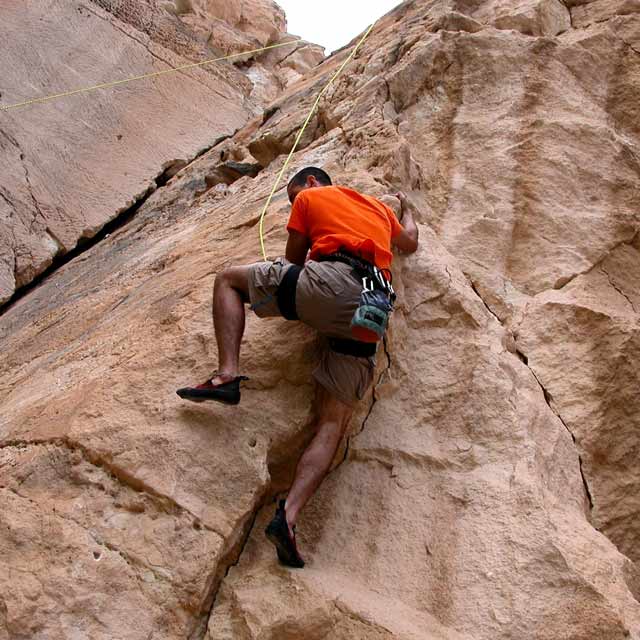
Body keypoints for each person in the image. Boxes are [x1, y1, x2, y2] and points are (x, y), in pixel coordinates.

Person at [177, 167, 419, 567]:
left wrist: (307, 249)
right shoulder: (378, 209)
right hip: (371, 311)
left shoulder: (311, 196)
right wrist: (407, 208)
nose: (294, 205)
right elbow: (409, 242)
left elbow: (293, 259)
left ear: (309, 183)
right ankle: (288, 517)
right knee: (332, 423)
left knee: (228, 280)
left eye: (292, 198)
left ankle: (226, 376)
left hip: (330, 284)